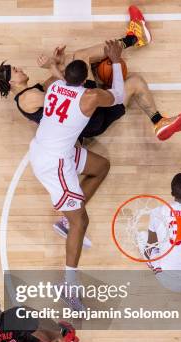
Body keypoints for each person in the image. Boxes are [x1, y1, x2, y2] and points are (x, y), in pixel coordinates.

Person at [0, 5, 181, 142]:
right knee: (81, 56)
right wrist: (53, 66)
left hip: (89, 122)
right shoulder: (28, 98)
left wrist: (58, 62)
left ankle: (158, 121)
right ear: (12, 83)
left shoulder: (31, 93)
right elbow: (64, 96)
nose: (20, 69)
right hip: (87, 115)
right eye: (16, 71)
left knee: (136, 82)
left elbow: (57, 82)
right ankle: (134, 38)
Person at [24, 40, 126, 310]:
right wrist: (115, 61)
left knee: (100, 166)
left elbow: (64, 81)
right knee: (82, 221)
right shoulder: (90, 96)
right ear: (86, 80)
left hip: (56, 151)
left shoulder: (55, 86)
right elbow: (119, 94)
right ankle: (69, 285)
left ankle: (67, 222)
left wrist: (55, 67)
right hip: (54, 163)